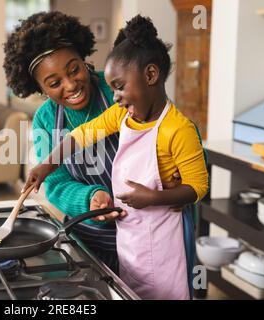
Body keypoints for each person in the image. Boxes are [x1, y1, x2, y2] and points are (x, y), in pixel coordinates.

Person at [22, 15, 208, 300]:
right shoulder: (51, 119)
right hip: (96, 236)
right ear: (41, 89)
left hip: (159, 233)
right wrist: (55, 171)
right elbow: (80, 142)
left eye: (74, 70)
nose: (70, 85)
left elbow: (180, 137)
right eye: (54, 82)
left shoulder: (118, 87)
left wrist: (168, 187)